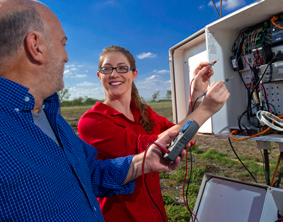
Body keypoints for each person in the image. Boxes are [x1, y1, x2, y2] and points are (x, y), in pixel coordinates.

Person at [0, 1, 187, 221]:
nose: (66, 57)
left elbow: (89, 173)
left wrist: (143, 162)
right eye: (63, 43)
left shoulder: (52, 118)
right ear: (36, 46)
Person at [78, 45, 230, 221]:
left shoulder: (145, 112)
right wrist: (206, 109)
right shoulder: (91, 121)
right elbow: (157, 147)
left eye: (122, 68)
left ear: (134, 74)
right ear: (99, 76)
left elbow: (185, 137)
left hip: (155, 214)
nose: (114, 74)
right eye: (107, 69)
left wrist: (197, 93)